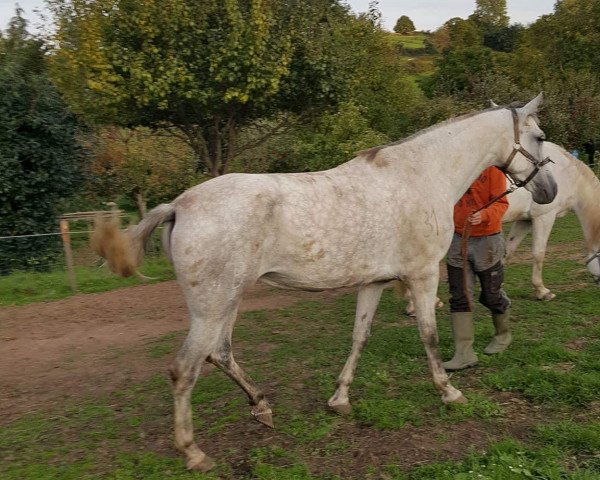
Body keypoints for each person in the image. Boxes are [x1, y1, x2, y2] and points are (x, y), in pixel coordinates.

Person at [443, 166, 512, 371]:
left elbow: (502, 203)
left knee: (491, 294)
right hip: (457, 238)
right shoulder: (453, 166)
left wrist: (484, 215)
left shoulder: (492, 170)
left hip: (488, 240)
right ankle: (464, 353)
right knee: (459, 295)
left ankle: (503, 335)